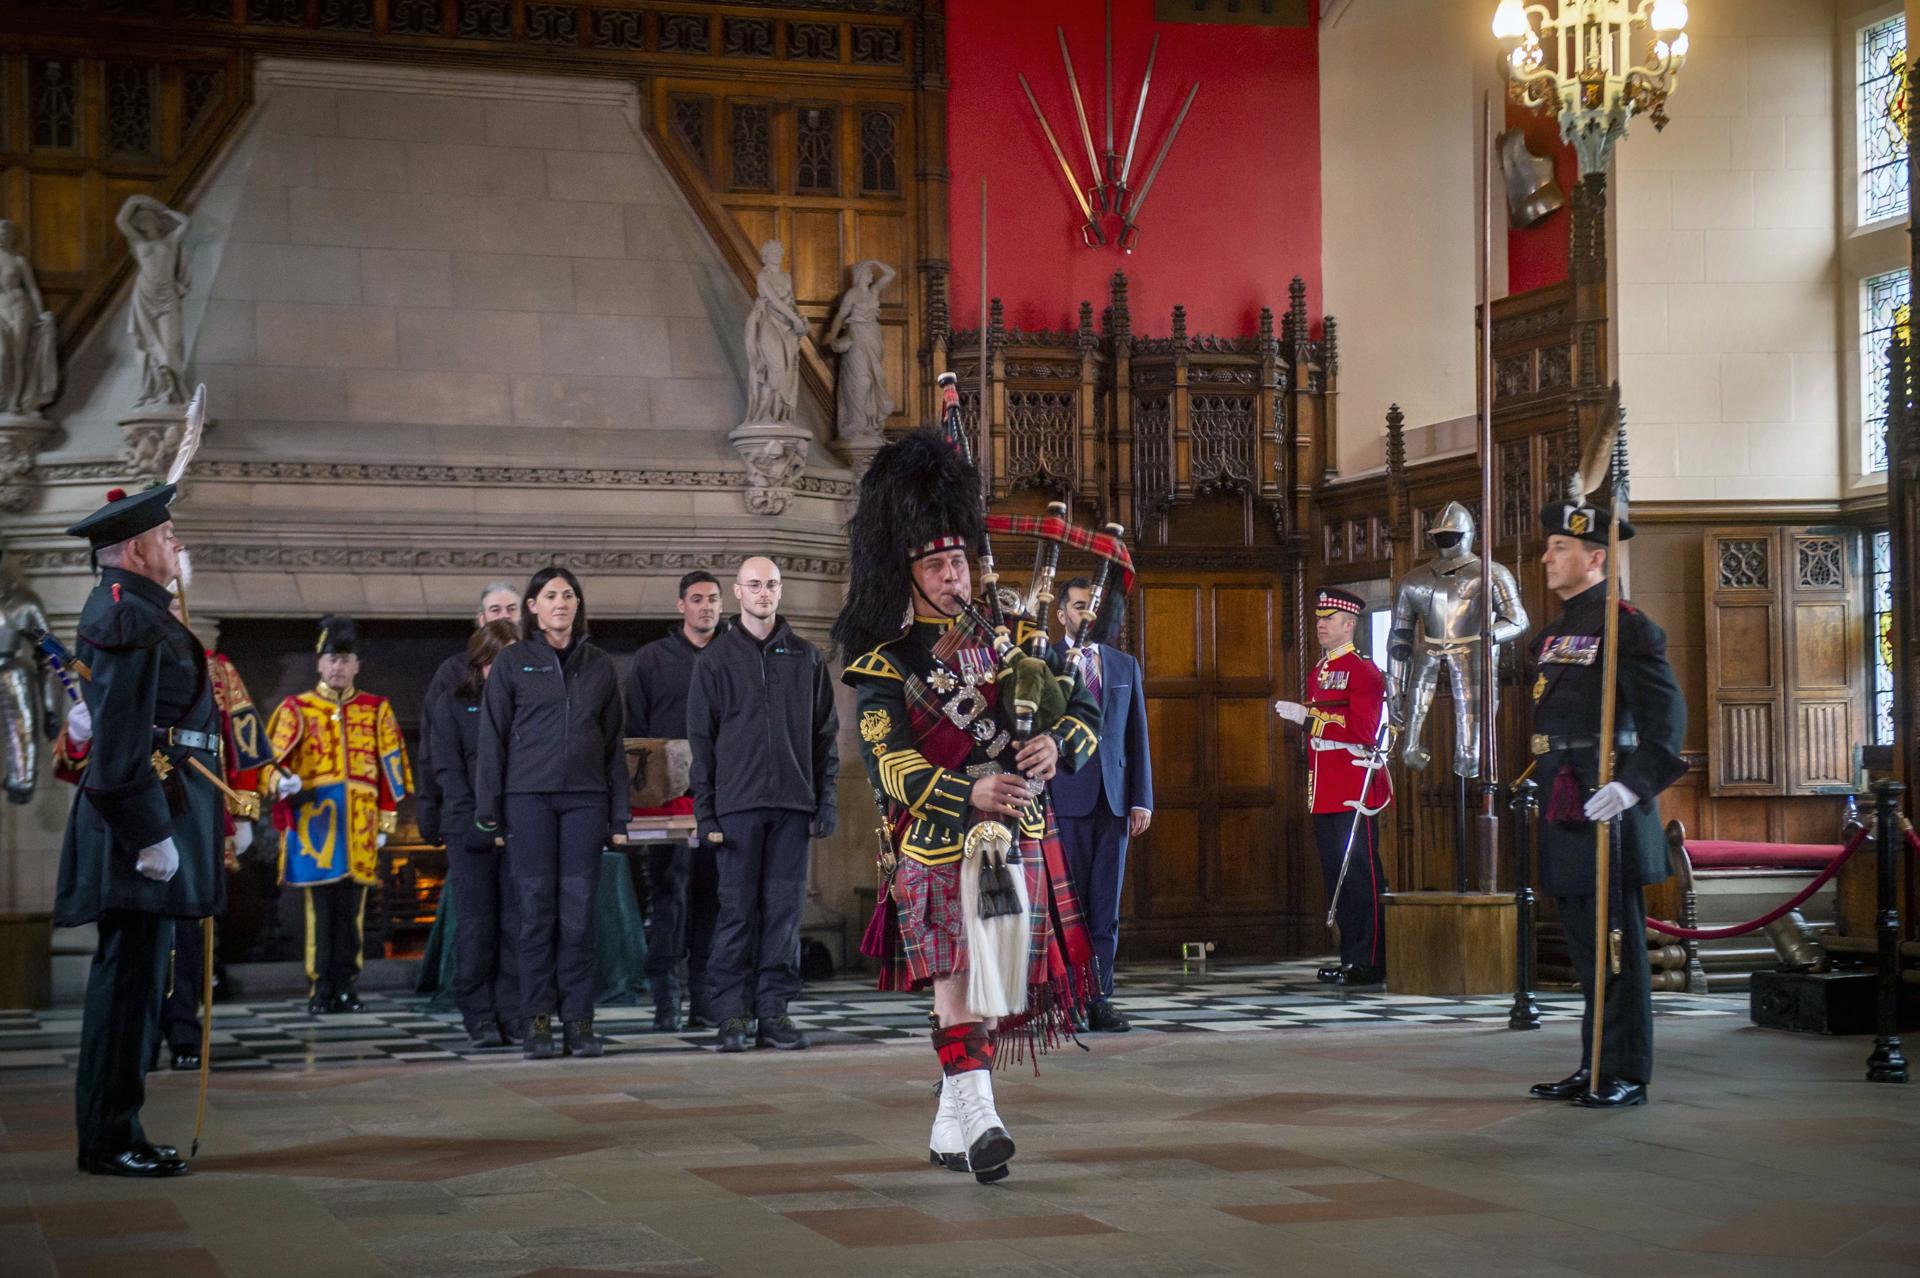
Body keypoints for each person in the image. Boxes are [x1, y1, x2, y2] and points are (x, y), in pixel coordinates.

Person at [834, 429, 1099, 1184]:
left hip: (1015, 835)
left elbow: (1081, 707)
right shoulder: (883, 662)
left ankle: (953, 1125)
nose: (955, 576)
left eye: (960, 561)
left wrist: (1059, 747)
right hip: (940, 843)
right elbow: (888, 764)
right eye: (937, 564)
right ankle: (982, 1116)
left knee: (991, 980)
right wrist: (968, 790)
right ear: (907, 573)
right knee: (959, 974)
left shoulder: (1016, 636)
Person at [56, 483, 223, 1177]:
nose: (176, 544)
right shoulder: (128, 617)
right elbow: (123, 744)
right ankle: (108, 1138)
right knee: (128, 990)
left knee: (137, 985)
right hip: (141, 829)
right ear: (134, 550)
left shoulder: (140, 611)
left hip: (154, 817)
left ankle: (115, 1128)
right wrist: (148, 835)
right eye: (167, 535)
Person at [1525, 500, 1686, 1109]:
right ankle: (1594, 1064)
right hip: (1567, 802)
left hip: (1608, 806)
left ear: (1595, 557)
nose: (1546, 557)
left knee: (1618, 950)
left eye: (1559, 547)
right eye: (1548, 547)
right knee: (1589, 950)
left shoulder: (1626, 625)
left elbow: (1666, 723)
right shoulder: (1559, 630)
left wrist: (1630, 787)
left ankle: (1625, 1072)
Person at [475, 567, 629, 1060]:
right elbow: (491, 740)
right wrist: (489, 812)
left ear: (578, 605)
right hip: (529, 801)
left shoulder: (601, 665)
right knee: (536, 915)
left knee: (579, 916)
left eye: (568, 595)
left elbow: (614, 747)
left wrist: (619, 817)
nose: (560, 602)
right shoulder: (512, 662)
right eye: (549, 595)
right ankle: (537, 1021)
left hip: (586, 801)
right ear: (533, 607)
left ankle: (579, 1023)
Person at [689, 557, 838, 1053]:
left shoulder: (807, 657)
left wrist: (826, 800)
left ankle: (774, 1011)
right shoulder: (714, 660)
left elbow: (825, 736)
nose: (763, 593)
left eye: (771, 584)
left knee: (784, 914)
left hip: (793, 807)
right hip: (737, 809)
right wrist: (705, 813)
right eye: (754, 585)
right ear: (737, 592)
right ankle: (731, 1013)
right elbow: (701, 743)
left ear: (780, 589)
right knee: (736, 914)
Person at [262, 616, 412, 1016]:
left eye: (345, 660)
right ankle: (320, 987)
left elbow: (392, 769)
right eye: (331, 659)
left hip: (360, 828)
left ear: (357, 665)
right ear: (319, 663)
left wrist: (386, 820)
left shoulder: (376, 709)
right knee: (319, 912)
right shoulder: (296, 709)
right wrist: (281, 782)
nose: (338, 667)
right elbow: (267, 762)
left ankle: (347, 985)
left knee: (352, 913)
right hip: (317, 828)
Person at [1274, 587, 1394, 988]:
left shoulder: (1364, 671)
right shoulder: (1319, 670)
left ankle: (1372, 959)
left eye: (1330, 619)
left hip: (1354, 787)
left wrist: (1310, 720)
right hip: (1324, 787)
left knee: (1361, 875)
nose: (1322, 625)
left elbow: (1362, 730)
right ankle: (1351, 956)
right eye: (1319, 618)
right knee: (1337, 878)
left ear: (1350, 624)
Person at [625, 570, 725, 1031]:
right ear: (680, 605)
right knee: (669, 901)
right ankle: (666, 1000)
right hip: (666, 806)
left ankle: (704, 1000)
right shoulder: (651, 660)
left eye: (713, 599)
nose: (706, 606)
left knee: (712, 901)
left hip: (721, 800)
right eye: (697, 599)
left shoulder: (733, 655)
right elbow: (636, 738)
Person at [1052, 577, 1152, 1032]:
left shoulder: (1123, 664)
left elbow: (1137, 736)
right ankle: (1066, 999)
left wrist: (1142, 799)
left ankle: (1099, 999)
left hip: (1113, 803)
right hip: (1062, 801)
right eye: (1077, 606)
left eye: (1091, 606)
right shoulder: (1043, 663)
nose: (1086, 614)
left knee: (1105, 910)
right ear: (1061, 614)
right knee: (1065, 909)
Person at [429, 619, 523, 1050]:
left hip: (520, 829)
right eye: (493, 663)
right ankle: (479, 1015)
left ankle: (512, 1012)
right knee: (476, 926)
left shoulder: (527, 704)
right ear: (480, 663)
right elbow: (447, 770)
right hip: (467, 829)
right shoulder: (453, 701)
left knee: (516, 925)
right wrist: (478, 825)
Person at [416, 582, 522, 846]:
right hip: (466, 813)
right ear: (481, 618)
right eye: (495, 610)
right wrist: (430, 811)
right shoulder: (452, 672)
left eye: (511, 609)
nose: (504, 617)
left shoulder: (541, 669)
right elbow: (433, 747)